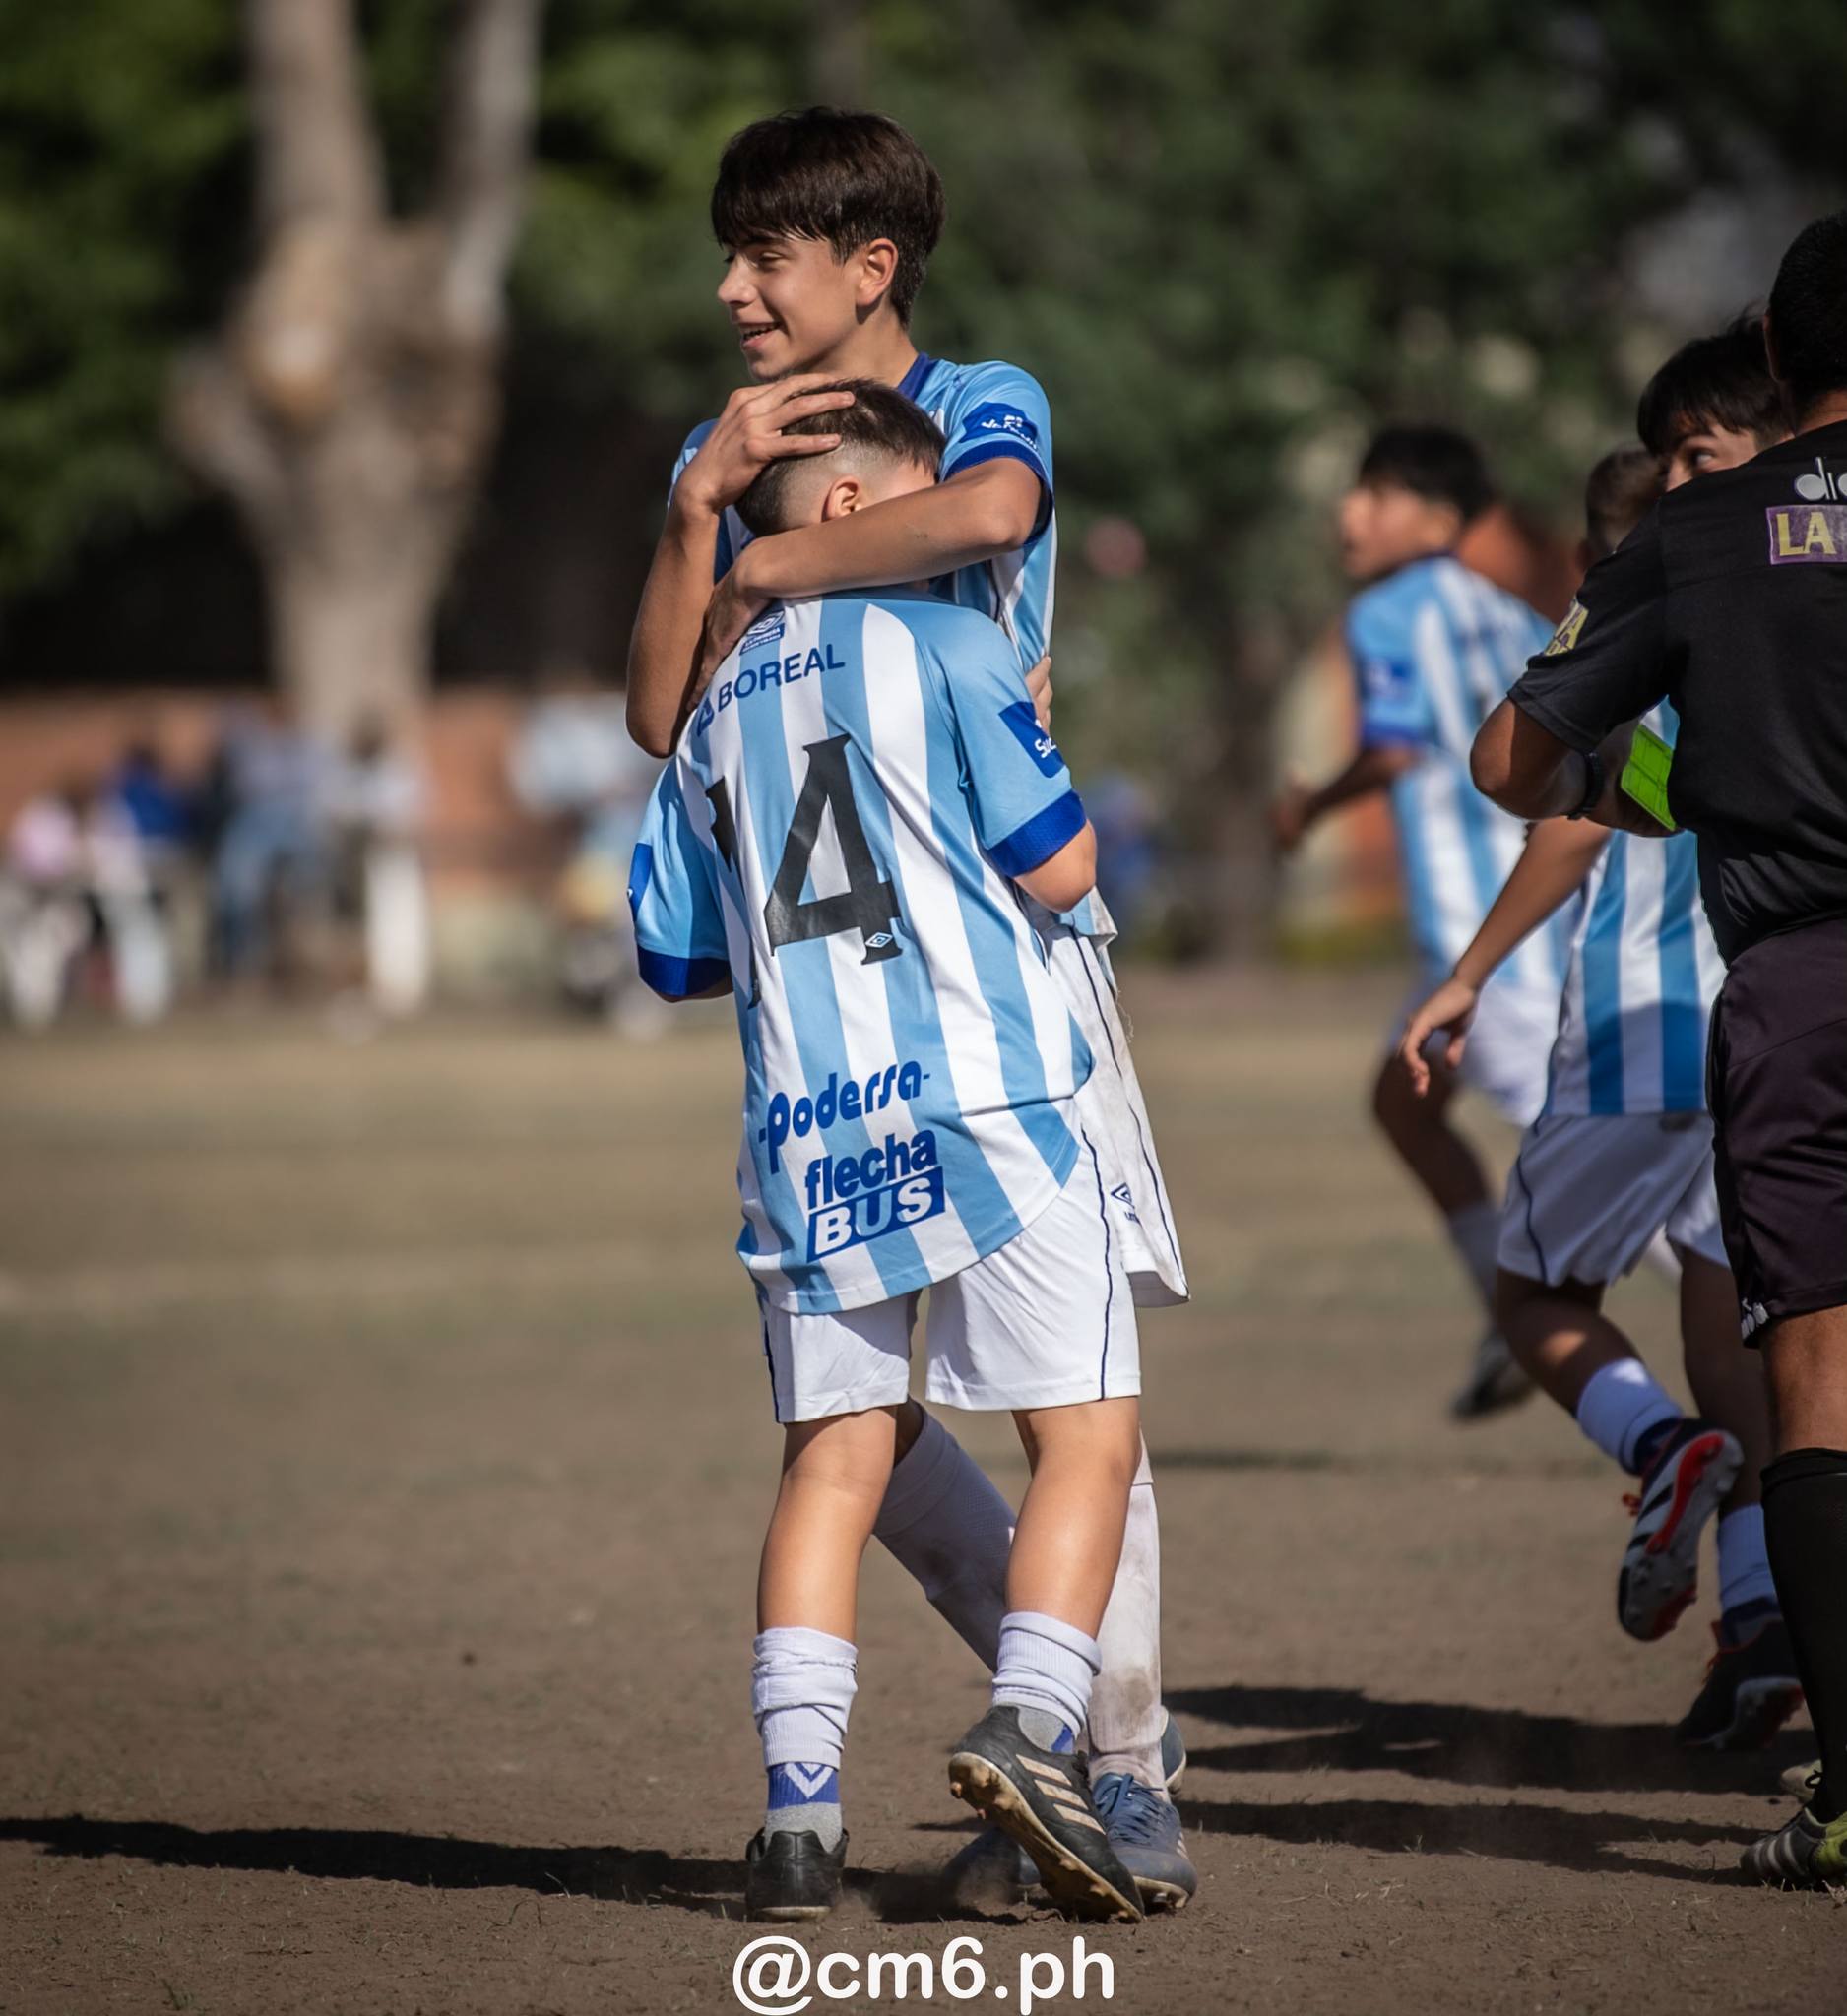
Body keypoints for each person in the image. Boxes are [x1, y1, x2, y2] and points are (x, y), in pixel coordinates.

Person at [623, 107, 1190, 1908]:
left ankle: (1122, 1757)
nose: (730, 292)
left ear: (868, 269)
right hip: (904, 997)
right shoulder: (725, 457)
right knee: (1022, 1394)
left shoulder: (977, 392)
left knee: (952, 1412)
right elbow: (657, 709)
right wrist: (700, 506)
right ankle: (1054, 1728)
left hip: (994, 990)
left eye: (762, 259)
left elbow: (999, 508)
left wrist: (768, 563)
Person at [1470, 212, 1847, 1885]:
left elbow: (1508, 758)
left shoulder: (1698, 533)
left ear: (1773, 355)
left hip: (1800, 989)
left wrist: (1652, 759)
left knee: (1814, 1393)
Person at [1400, 362, 1800, 1751]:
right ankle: (1758, 1630)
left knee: (1534, 1295)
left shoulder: (1661, 611)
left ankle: (1655, 1451)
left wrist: (1465, 972)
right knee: (1744, 1347)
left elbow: (1564, 808)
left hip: (1644, 1033)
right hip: (1766, 1033)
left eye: (1702, 454)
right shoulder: (1788, 609)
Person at [1272, 426, 1564, 1420]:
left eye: (1378, 493)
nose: (1350, 513)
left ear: (1438, 520)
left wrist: (1313, 805)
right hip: (1538, 912)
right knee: (1403, 1102)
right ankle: (1504, 1309)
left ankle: (1716, 1390)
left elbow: (1394, 753)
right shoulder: (1510, 610)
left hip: (1480, 937)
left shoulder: (1387, 611)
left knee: (1620, 1168)